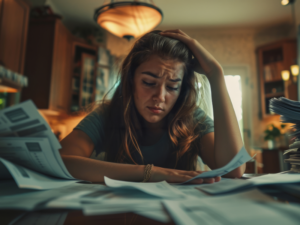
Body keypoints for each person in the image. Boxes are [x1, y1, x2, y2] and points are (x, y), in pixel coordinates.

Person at [60, 29, 245, 184]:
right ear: (131, 80)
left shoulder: (192, 118)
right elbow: (60, 162)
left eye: (172, 87)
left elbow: (234, 170)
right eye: (148, 82)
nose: (160, 97)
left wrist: (215, 74)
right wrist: (150, 173)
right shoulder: (108, 114)